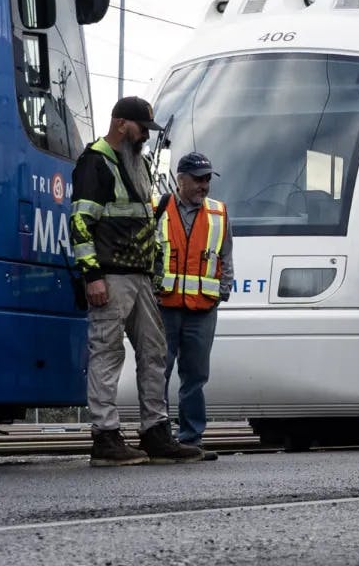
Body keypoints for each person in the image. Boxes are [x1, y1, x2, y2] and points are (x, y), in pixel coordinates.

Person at [70, 96, 204, 467]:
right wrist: (92, 276)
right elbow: (80, 223)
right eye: (142, 128)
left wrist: (155, 272)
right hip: (110, 276)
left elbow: (146, 221)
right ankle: (105, 436)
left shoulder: (140, 163)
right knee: (107, 352)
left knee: (154, 352)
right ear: (120, 124)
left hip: (140, 277)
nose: (146, 135)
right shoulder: (95, 162)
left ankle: (155, 432)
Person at [156, 152, 233, 460]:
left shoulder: (219, 213)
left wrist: (222, 292)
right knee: (158, 372)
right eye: (198, 179)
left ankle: (191, 438)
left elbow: (225, 256)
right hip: (164, 305)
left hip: (202, 308)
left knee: (196, 375)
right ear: (180, 180)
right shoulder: (157, 208)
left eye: (207, 179)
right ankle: (159, 436)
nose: (204, 185)